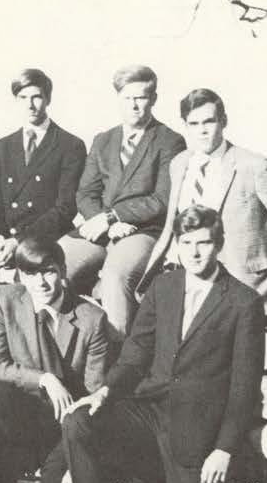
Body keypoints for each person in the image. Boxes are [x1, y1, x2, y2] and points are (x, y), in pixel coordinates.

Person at [61, 206, 264, 483]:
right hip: (150, 408)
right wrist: (105, 391)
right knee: (78, 421)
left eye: (203, 243)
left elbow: (244, 386)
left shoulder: (243, 302)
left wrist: (224, 449)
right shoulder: (164, 286)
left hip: (196, 427)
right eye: (187, 243)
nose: (195, 253)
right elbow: (136, 352)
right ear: (177, 245)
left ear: (219, 245)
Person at [0, 234, 114, 483]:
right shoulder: (4, 299)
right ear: (20, 275)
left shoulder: (92, 319)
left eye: (48, 272)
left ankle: (46, 479)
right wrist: (44, 379)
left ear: (63, 271)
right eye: (30, 274)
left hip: (66, 422)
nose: (40, 283)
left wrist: (76, 463)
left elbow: (93, 397)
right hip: (26, 410)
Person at [140, 88, 267, 316]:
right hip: (185, 279)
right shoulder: (179, 164)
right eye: (193, 124)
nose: (202, 131)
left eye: (209, 122)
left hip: (240, 284)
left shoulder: (253, 166)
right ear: (185, 126)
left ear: (223, 121)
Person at [58, 65, 185, 337]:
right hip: (102, 228)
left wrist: (114, 216)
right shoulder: (103, 140)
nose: (134, 105)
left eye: (141, 97)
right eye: (128, 98)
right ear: (118, 99)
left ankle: (118, 356)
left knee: (115, 276)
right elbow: (85, 193)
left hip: (143, 231)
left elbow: (161, 200)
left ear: (153, 99)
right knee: (55, 264)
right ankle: (66, 348)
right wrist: (106, 223)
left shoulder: (169, 141)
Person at [0, 69, 86, 289]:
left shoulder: (70, 145)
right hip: (3, 236)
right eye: (23, 98)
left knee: (30, 282)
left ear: (48, 99)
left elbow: (65, 208)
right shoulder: (3, 146)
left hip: (45, 237)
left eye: (36, 97)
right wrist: (1, 239)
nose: (30, 105)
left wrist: (19, 241)